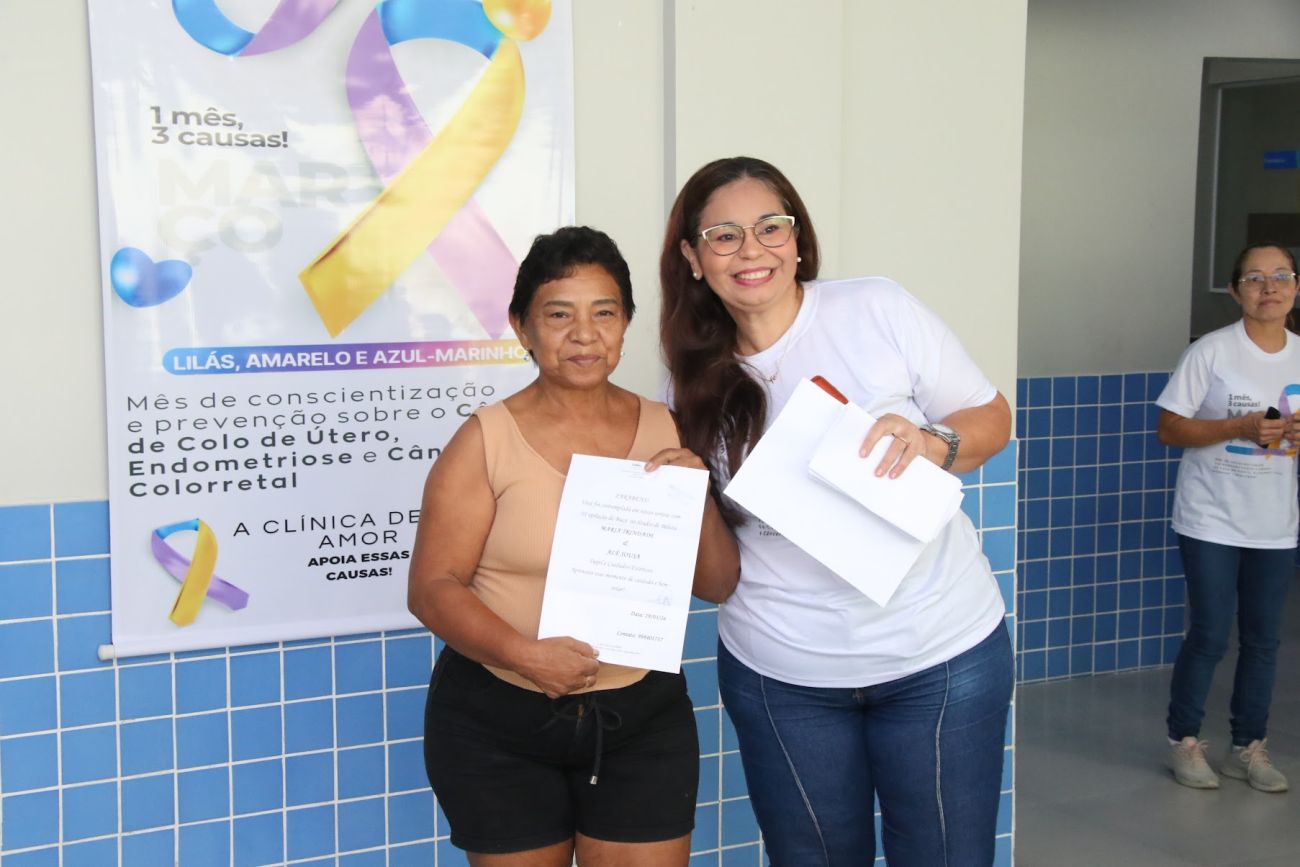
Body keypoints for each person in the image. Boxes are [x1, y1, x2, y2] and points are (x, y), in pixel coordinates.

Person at [659, 156, 1015, 866]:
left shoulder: (874, 309)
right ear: (694, 259)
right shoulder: (686, 383)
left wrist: (931, 442)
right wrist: (684, 495)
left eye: (770, 227)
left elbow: (991, 419)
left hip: (939, 655)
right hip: (782, 675)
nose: (752, 250)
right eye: (724, 236)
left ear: (797, 239)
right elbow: (718, 569)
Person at [409, 226, 740, 866]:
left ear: (626, 324)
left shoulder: (668, 427)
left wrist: (695, 494)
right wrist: (525, 655)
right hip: (499, 717)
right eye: (559, 315)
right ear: (522, 327)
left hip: (641, 716)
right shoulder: (484, 441)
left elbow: (717, 584)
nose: (584, 335)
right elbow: (432, 588)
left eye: (604, 313)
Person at [1156, 242, 1297, 794]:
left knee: (1263, 641)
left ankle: (1248, 747)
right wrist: (1238, 427)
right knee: (1211, 633)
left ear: (1296, 286)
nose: (1270, 287)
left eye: (1281, 275)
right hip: (1210, 519)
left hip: (1275, 523)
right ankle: (1185, 740)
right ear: (1237, 291)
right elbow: (1170, 429)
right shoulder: (1212, 352)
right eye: (1255, 278)